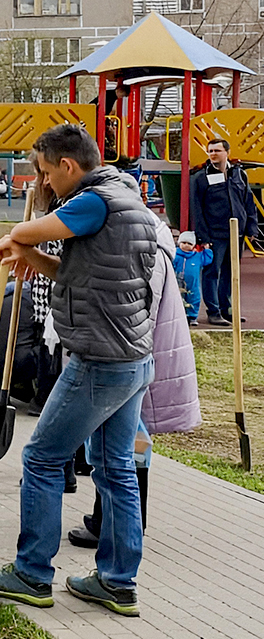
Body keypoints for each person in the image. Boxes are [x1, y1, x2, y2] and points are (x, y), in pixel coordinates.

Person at [0, 124, 156, 617]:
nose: (46, 184)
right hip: (132, 357)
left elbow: (35, 227)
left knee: (42, 458)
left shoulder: (94, 200)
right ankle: (118, 582)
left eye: (47, 173)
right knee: (115, 466)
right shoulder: (124, 198)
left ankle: (31, 573)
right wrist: (31, 257)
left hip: (99, 360)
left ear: (69, 167)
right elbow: (80, 273)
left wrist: (15, 237)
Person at [68, 200, 200, 548]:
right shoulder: (150, 248)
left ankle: (116, 524)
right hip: (139, 358)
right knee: (122, 446)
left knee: (123, 449)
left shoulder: (147, 255)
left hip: (130, 360)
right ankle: (112, 521)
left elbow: (139, 314)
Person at [189, 138, 256, 326]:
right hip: (214, 234)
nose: (212, 154)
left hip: (237, 233)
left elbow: (247, 201)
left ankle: (226, 310)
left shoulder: (239, 174)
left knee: (230, 272)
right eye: (210, 150)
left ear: (227, 152)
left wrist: (251, 226)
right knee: (211, 272)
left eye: (217, 150)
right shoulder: (200, 178)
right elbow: (197, 209)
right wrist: (203, 237)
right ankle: (213, 312)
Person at [173, 230, 210, 326]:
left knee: (194, 298)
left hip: (193, 283)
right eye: (183, 243)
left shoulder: (197, 256)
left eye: (189, 243)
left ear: (193, 245)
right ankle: (179, 316)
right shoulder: (175, 255)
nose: (186, 245)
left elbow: (208, 260)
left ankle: (192, 317)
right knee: (178, 298)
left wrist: (207, 249)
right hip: (178, 281)